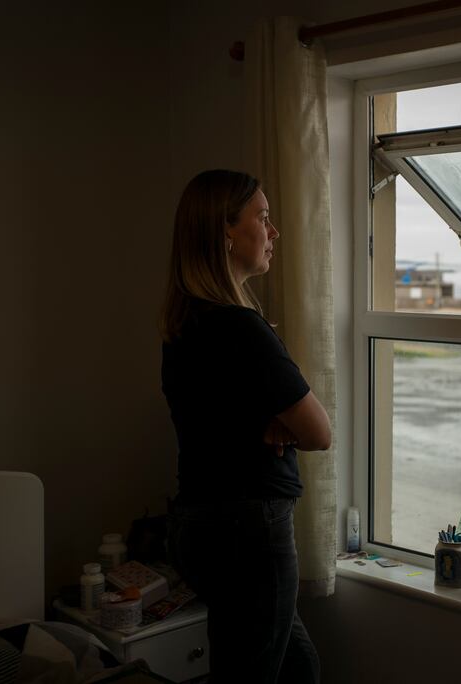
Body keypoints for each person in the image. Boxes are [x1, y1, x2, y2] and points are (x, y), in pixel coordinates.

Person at [160, 169, 331, 683]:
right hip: (248, 532)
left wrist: (283, 419)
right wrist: (287, 422)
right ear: (225, 232)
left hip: (199, 524)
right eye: (262, 217)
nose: (273, 232)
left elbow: (222, 417)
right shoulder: (240, 328)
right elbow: (319, 432)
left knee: (299, 667)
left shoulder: (185, 325)